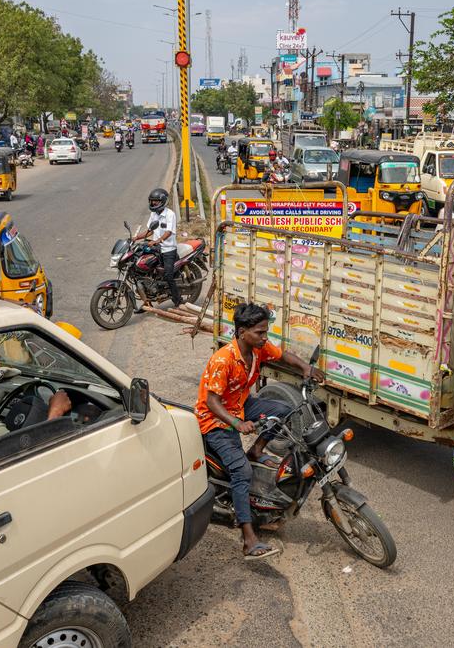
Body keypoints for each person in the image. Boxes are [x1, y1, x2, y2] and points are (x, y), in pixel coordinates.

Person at [194, 303, 325, 560]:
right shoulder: (223, 360)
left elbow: (283, 355)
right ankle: (249, 539)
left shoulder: (257, 349)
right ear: (242, 332)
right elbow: (212, 402)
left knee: (286, 409)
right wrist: (237, 424)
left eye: (266, 331)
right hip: (216, 420)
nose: (265, 337)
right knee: (241, 472)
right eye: (260, 332)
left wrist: (306, 368)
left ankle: (256, 450)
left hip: (241, 405)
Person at [135, 188, 184, 308]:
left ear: (162, 201)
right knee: (146, 271)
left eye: (156, 201)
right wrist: (135, 238)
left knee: (168, 276)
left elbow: (168, 232)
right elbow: (150, 231)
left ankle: (178, 301)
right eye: (152, 201)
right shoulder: (153, 214)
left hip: (168, 250)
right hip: (156, 249)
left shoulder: (170, 214)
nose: (153, 203)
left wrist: (157, 241)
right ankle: (147, 302)